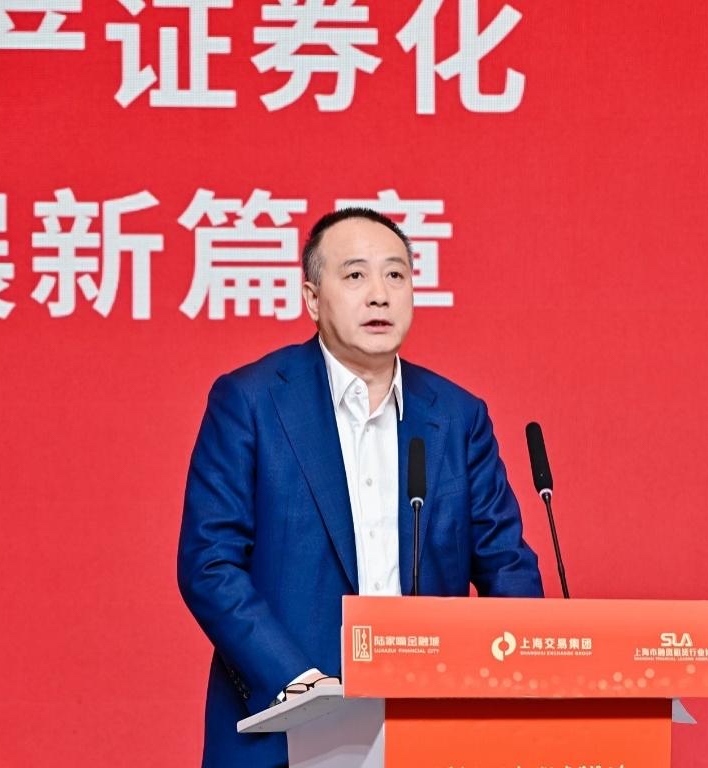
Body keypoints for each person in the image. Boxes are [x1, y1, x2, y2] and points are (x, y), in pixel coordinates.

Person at [177, 208, 544, 767]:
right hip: (286, 730)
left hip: (428, 734)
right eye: (355, 275)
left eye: (395, 275)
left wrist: (528, 670)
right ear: (312, 298)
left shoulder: (457, 415)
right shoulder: (251, 401)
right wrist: (299, 683)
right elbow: (209, 563)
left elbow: (506, 564)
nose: (379, 294)